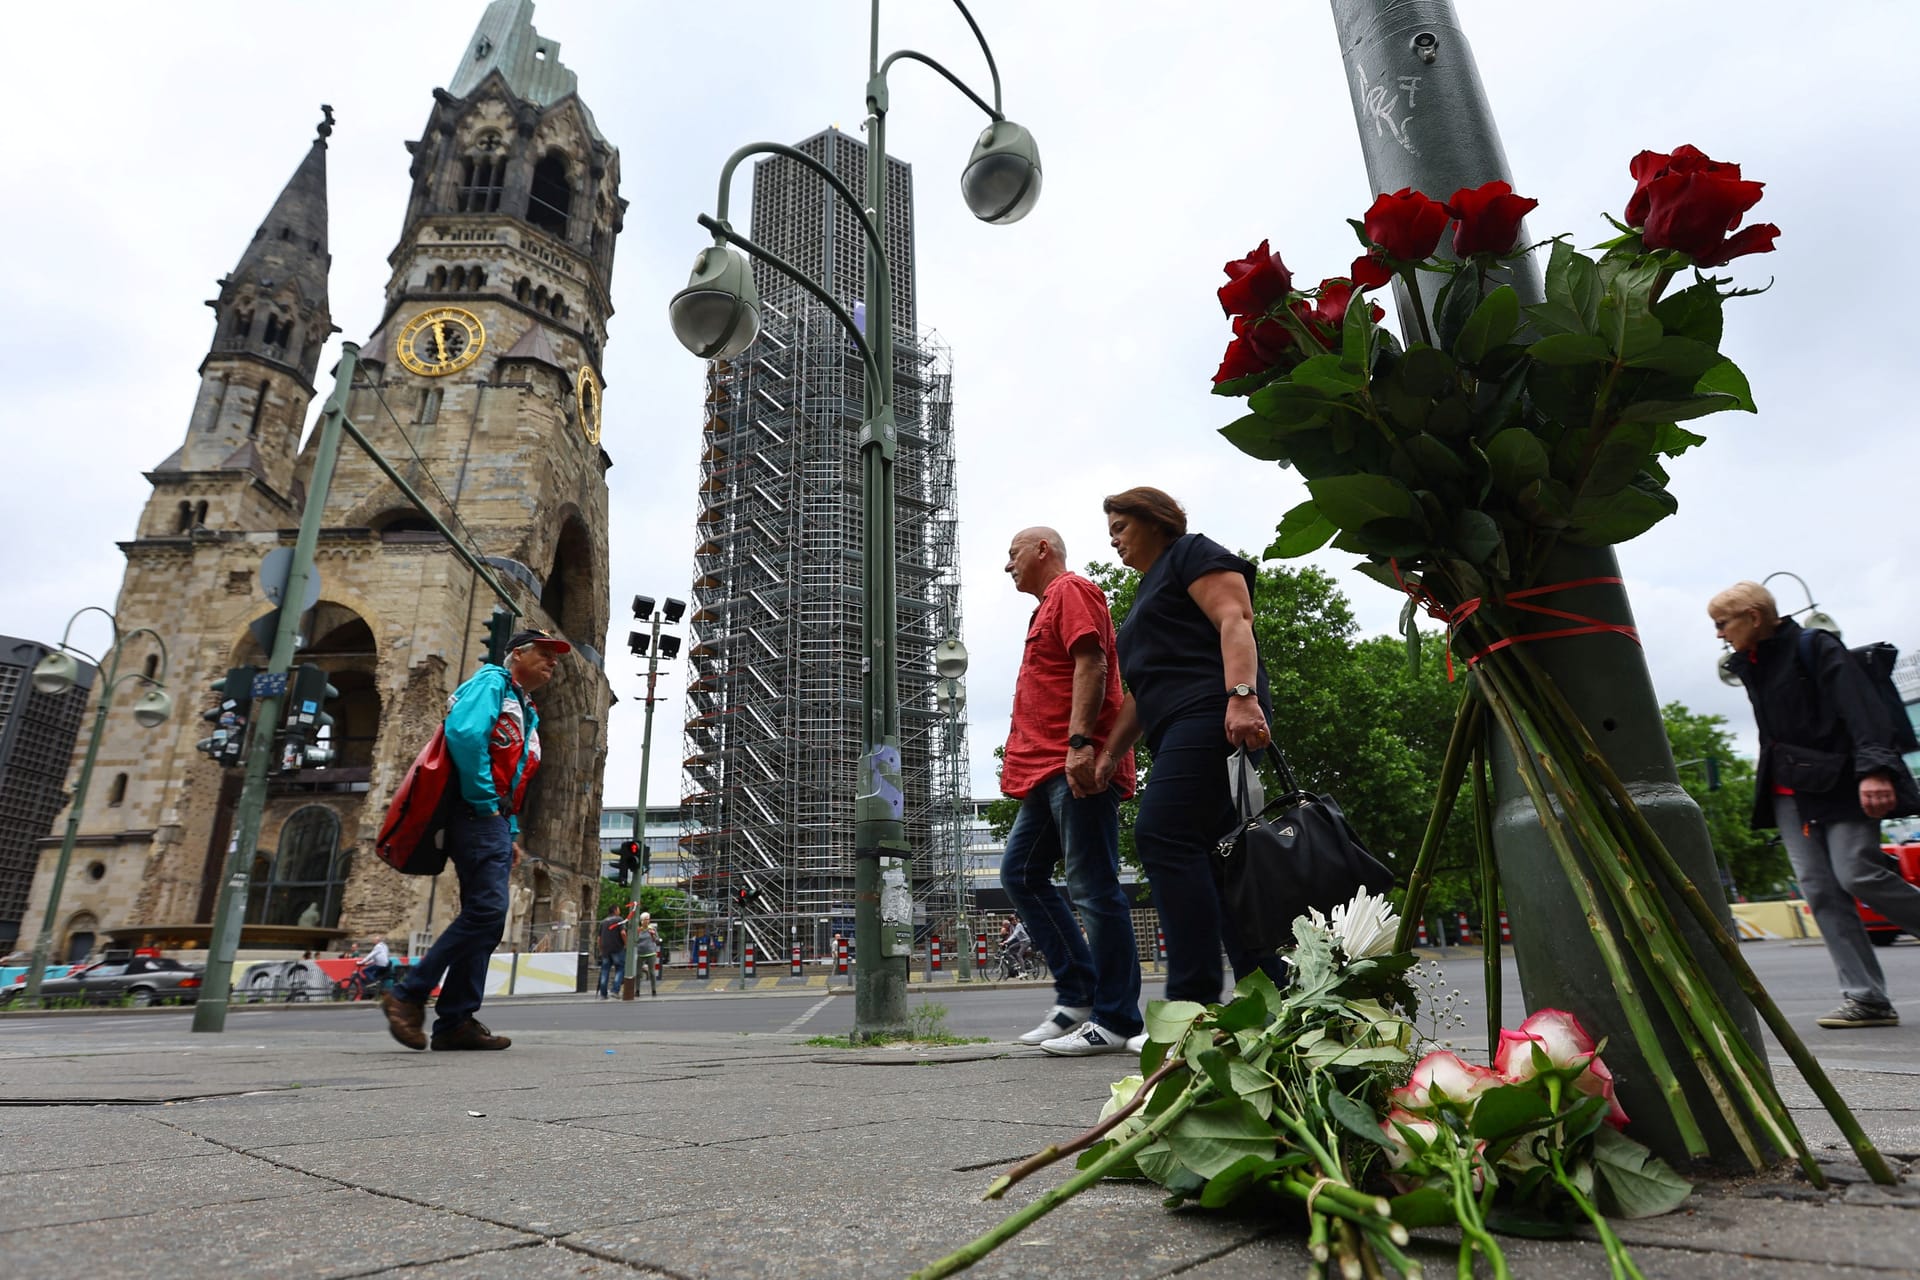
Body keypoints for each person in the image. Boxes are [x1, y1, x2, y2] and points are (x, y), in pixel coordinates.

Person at [1091, 487, 1278, 1026]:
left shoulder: (1193, 552)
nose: (1113, 538)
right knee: (1220, 862)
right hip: (1174, 723)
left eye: (1122, 526)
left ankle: (1194, 1000)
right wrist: (1110, 754)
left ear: (1157, 522)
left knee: (1164, 832)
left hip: (1213, 710)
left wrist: (1242, 698)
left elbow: (1235, 619)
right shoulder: (1147, 591)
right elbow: (1143, 693)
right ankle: (1267, 989)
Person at [1712, 581, 1920, 1028]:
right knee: (1821, 891)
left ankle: (1868, 996)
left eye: (1722, 623)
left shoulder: (1814, 645)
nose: (1718, 634)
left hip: (1844, 782)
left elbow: (1862, 710)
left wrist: (1876, 770)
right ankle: (1867, 999)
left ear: (1752, 616)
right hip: (1789, 790)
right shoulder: (1749, 663)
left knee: (1857, 873)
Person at [996, 526, 1143, 1056]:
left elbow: (1093, 662)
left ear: (1042, 550)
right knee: (1020, 873)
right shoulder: (1046, 606)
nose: (1007, 565)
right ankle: (1078, 996)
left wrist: (1082, 744)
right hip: (1043, 771)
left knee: (1093, 886)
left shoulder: (1072, 591)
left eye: (1012, 554)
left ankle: (1118, 1019)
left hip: (1072, 765)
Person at [382, 627, 565, 1051]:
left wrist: (510, 828)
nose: (553, 662)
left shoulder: (525, 706)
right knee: (485, 911)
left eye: (556, 657)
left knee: (488, 920)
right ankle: (408, 995)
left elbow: (513, 774)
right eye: (545, 653)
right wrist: (486, 805)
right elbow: (465, 736)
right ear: (517, 653)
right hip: (475, 813)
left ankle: (455, 1022)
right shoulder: (493, 683)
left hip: (492, 820)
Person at [596, 909, 627, 999]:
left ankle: (603, 994)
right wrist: (626, 944)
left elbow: (599, 938)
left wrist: (601, 949)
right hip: (617, 948)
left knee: (605, 971)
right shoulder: (619, 919)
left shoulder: (603, 922)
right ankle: (615, 990)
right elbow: (623, 933)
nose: (620, 911)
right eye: (619, 909)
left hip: (605, 950)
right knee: (620, 968)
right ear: (615, 910)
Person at [632, 909, 661, 995]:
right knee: (638, 973)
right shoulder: (639, 930)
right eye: (646, 919)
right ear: (642, 920)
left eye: (648, 919)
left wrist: (653, 935)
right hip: (640, 953)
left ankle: (654, 990)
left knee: (652, 972)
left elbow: (657, 940)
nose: (647, 921)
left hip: (651, 952)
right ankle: (637, 990)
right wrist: (637, 934)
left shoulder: (652, 929)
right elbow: (635, 941)